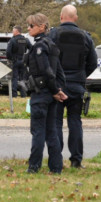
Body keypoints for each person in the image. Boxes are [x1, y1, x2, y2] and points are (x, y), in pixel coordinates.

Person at [49, 5, 98, 168]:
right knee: (75, 121)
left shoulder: (53, 34)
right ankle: (76, 160)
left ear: (61, 16)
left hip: (57, 87)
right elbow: (93, 63)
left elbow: (47, 60)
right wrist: (81, 75)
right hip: (77, 86)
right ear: (75, 18)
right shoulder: (85, 37)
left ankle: (56, 159)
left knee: (56, 122)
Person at [24, 13, 67, 174]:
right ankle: (56, 167)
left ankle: (34, 166)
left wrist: (55, 90)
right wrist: (59, 90)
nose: (28, 28)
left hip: (41, 94)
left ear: (42, 27)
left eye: (31, 26)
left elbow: (47, 71)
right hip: (51, 94)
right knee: (51, 132)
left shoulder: (40, 47)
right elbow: (60, 73)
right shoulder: (52, 45)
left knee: (38, 132)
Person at [6, 25, 30, 97]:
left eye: (13, 31)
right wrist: (27, 58)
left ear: (17, 31)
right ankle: (23, 94)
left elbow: (8, 52)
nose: (12, 32)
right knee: (22, 78)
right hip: (23, 61)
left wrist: (10, 59)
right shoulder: (25, 40)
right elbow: (32, 48)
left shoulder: (12, 40)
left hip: (15, 61)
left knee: (14, 78)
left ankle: (14, 94)